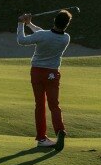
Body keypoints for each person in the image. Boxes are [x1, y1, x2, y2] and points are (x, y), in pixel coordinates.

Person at [16, 9, 72, 150]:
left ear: (54, 20)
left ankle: (42, 138)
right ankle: (60, 130)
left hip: (37, 73)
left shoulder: (43, 35)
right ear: (67, 25)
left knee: (40, 105)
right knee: (54, 105)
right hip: (52, 74)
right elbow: (44, 34)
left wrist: (21, 23)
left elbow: (22, 40)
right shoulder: (66, 38)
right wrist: (30, 24)